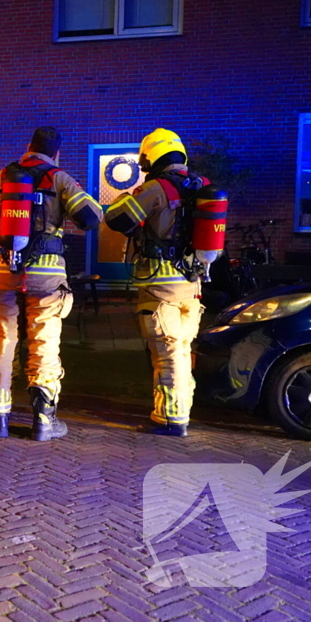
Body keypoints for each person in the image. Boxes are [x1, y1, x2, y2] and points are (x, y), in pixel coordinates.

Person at [0, 127, 102, 440]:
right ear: (55, 153)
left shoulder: (2, 177)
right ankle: (44, 421)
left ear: (28, 147)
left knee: (3, 339)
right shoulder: (59, 178)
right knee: (44, 343)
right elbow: (91, 218)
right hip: (46, 275)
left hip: (2, 271)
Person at [103, 128, 203, 437]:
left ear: (152, 157)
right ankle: (179, 411)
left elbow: (117, 219)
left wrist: (127, 194)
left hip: (161, 289)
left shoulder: (156, 189)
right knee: (182, 351)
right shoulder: (202, 188)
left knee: (167, 353)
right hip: (193, 287)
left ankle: (171, 419)